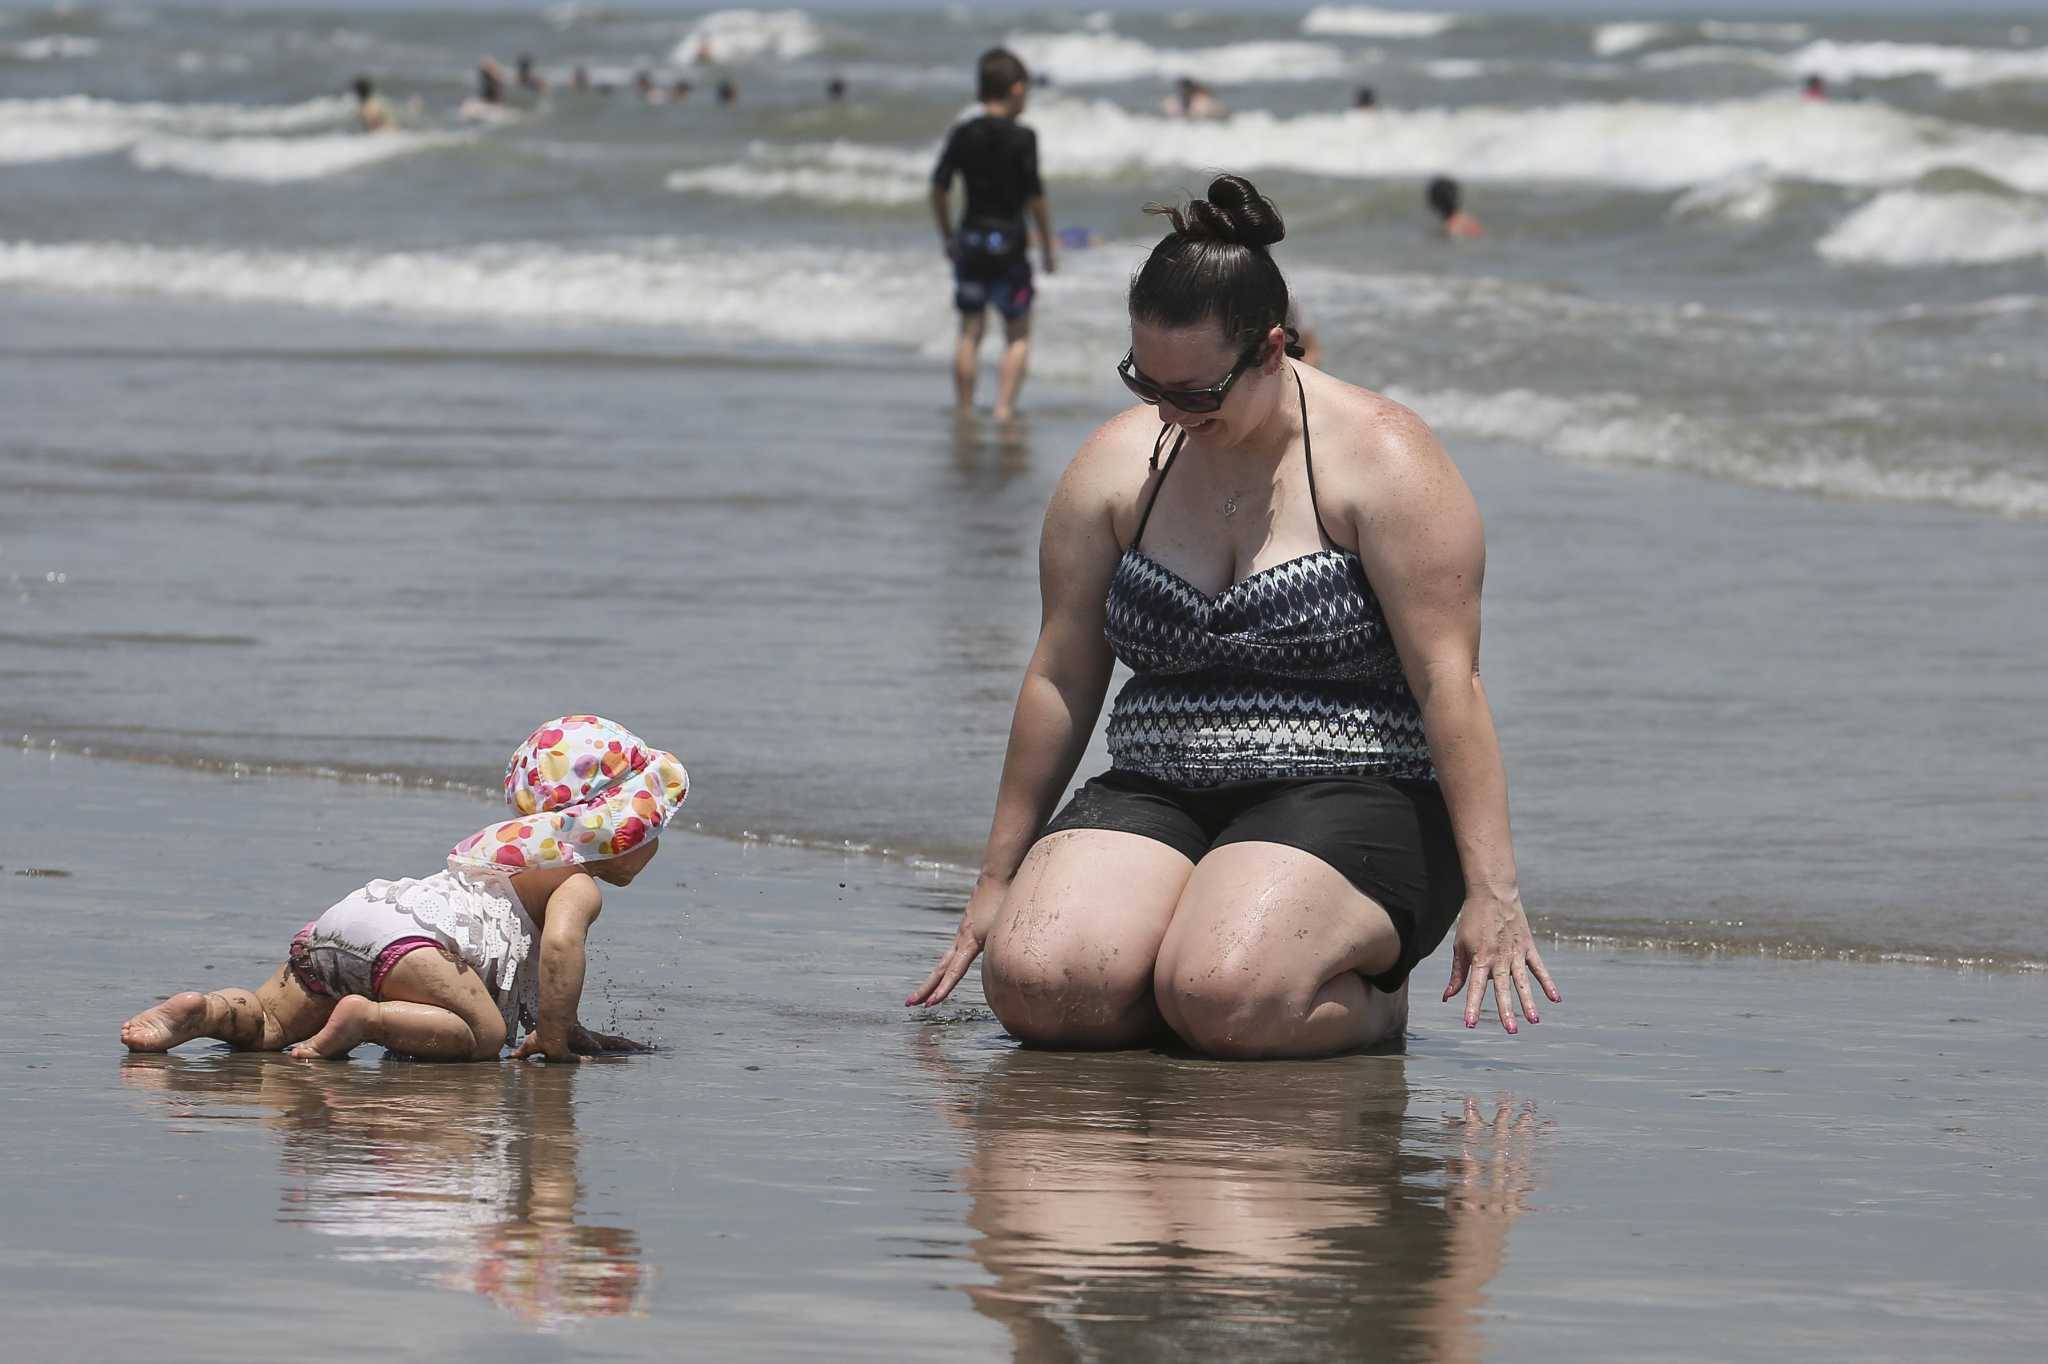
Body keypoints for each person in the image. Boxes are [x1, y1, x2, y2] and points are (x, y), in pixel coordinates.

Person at [906, 174, 1558, 1056]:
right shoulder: (1117, 465)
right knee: (1039, 988)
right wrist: (995, 878)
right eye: (1147, 382)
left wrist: (1494, 892)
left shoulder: (1384, 459)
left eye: (1197, 394)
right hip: (1160, 782)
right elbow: (1062, 673)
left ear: (1272, 349)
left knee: (1226, 994)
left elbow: (1451, 682)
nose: (1170, 413)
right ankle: (1175, 963)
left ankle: (1353, 1000)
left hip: (1358, 791)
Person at [119, 716, 689, 1063]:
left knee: (268, 1021)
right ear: (613, 830)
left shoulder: (504, 861)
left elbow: (539, 975)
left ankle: (206, 1010)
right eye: (653, 827)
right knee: (483, 1035)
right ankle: (364, 1020)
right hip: (414, 945)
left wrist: (563, 1024)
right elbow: (561, 949)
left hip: (358, 918)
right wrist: (555, 1040)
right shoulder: (576, 884)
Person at [930, 47, 1057, 421]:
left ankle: (966, 409)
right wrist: (1048, 246)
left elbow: (939, 188)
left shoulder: (963, 132)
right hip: (1010, 248)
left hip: (970, 242)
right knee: (1016, 333)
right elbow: (1035, 198)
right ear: (1016, 89)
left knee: (969, 331)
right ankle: (1003, 410)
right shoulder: (1024, 137)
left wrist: (947, 235)